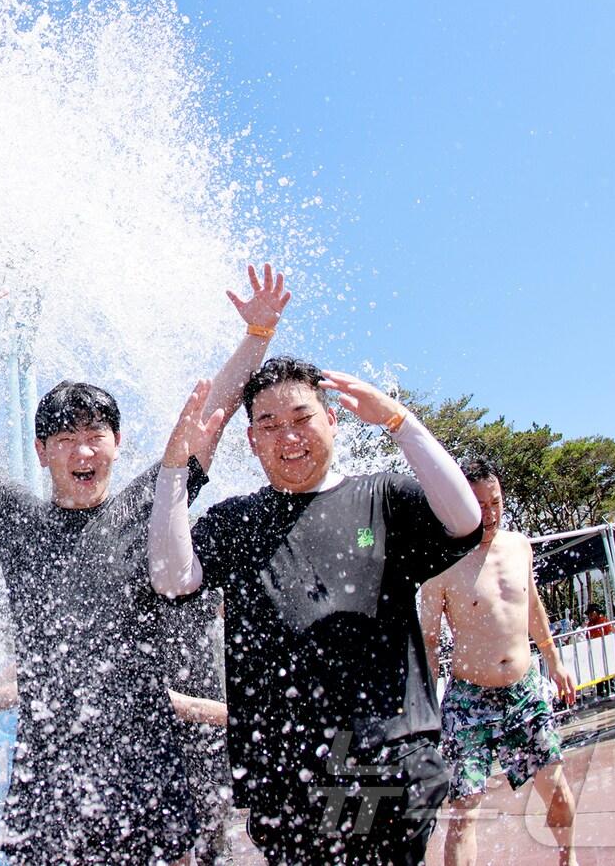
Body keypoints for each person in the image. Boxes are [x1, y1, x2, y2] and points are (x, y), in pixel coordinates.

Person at [0, 263, 292, 864]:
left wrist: (257, 336)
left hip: (147, 774)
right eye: (65, 439)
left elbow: (204, 418)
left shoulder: (150, 507)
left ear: (116, 443)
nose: (83, 451)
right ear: (41, 450)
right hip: (48, 779)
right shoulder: (18, 520)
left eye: (96, 436)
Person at [149, 356, 484, 865]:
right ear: (252, 439)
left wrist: (399, 421)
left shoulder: (381, 498)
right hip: (282, 771)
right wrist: (174, 469)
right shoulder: (239, 521)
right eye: (270, 424)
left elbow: (463, 520)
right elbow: (173, 578)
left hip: (379, 755)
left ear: (332, 420)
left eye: (303, 419)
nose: (288, 437)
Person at [419, 458, 578, 866]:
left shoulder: (518, 546)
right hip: (469, 703)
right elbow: (430, 643)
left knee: (558, 793)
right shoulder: (441, 564)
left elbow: (533, 606)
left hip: (524, 693)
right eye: (479, 505)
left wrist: (555, 662)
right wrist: (423, 710)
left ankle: (567, 857)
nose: (489, 514)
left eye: (495, 502)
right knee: (463, 812)